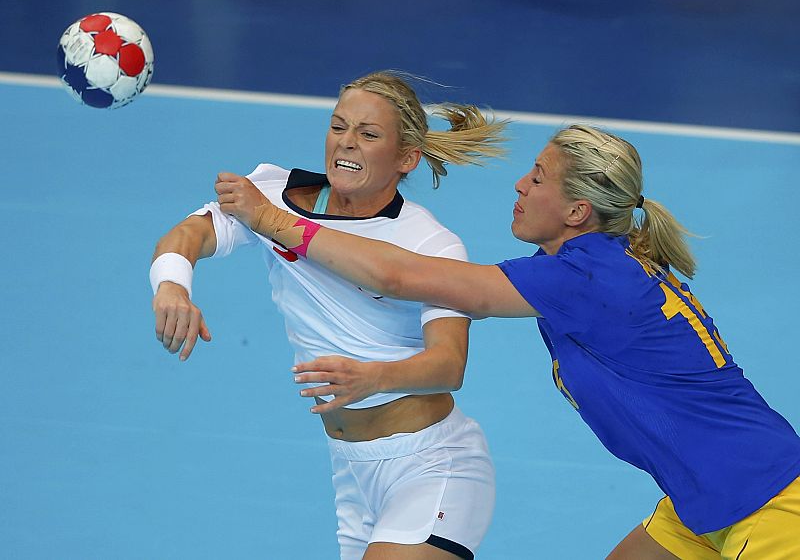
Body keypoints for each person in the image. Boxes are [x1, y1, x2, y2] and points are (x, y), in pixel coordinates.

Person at [239, 124, 800, 559]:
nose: (519, 184)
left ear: (577, 211)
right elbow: (423, 300)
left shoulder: (585, 278)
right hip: (704, 500)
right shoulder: (577, 269)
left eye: (537, 176)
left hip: (767, 505)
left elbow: (402, 278)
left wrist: (278, 223)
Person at [149, 71, 507, 560]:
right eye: (339, 126)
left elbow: (449, 364)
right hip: (352, 472)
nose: (347, 143)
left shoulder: (430, 244)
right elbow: (189, 235)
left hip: (432, 465)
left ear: (407, 158)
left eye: (369, 134)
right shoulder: (273, 195)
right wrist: (172, 284)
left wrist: (375, 377)